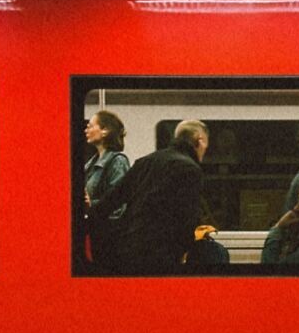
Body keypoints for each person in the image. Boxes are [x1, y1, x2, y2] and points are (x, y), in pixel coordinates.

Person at [89, 119, 208, 274]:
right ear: (199, 140)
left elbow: (110, 201)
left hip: (128, 248)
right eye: (206, 144)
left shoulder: (145, 162)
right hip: (162, 254)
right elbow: (186, 218)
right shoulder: (190, 169)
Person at [83, 110, 129, 270]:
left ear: (105, 131)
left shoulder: (117, 162)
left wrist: (91, 204)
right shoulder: (90, 164)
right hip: (95, 235)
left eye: (90, 126)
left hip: (109, 239)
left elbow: (119, 206)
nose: (86, 130)